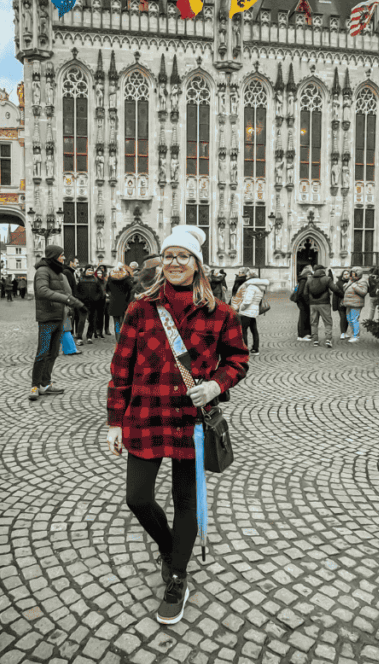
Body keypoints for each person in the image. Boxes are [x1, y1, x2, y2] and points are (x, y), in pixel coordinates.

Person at [106, 225, 248, 625]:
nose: (174, 263)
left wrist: (215, 385)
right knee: (137, 497)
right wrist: (114, 421)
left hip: (190, 421)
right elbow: (120, 368)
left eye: (183, 257)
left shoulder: (221, 314)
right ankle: (171, 549)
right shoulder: (140, 308)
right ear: (160, 262)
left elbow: (239, 360)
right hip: (145, 414)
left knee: (186, 502)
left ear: (197, 264)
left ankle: (178, 576)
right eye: (168, 256)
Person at [30, 245, 85, 400]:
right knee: (42, 352)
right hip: (46, 318)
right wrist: (66, 299)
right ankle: (34, 386)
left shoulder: (59, 272)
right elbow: (42, 291)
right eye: (61, 255)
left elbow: (67, 292)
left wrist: (76, 304)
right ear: (54, 256)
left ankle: (45, 384)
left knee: (53, 353)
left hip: (60, 317)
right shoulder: (42, 271)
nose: (63, 258)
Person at [236, 270, 269, 355]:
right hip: (254, 311)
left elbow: (247, 301)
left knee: (243, 331)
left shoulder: (251, 287)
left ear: (249, 277)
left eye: (247, 276)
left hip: (246, 312)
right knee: (254, 330)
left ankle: (244, 350)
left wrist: (241, 308)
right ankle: (255, 348)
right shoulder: (260, 287)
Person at [306, 264, 333, 347]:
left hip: (313, 304)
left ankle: (315, 341)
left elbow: (305, 293)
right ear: (322, 270)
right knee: (328, 322)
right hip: (324, 303)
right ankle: (328, 339)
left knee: (314, 322)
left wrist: (311, 300)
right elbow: (335, 289)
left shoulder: (309, 280)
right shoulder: (327, 279)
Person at [75, 266, 102, 344]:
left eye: (92, 270)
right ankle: (79, 337)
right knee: (81, 320)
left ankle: (89, 337)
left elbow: (99, 291)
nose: (90, 271)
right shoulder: (80, 279)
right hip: (82, 303)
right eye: (89, 270)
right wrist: (80, 299)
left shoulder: (95, 279)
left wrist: (96, 298)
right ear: (85, 270)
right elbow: (77, 291)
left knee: (92, 321)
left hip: (93, 303)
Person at [106, 264, 134, 338]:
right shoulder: (126, 279)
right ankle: (124, 339)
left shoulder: (110, 278)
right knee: (124, 322)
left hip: (113, 303)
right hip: (124, 302)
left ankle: (118, 340)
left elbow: (107, 289)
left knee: (117, 323)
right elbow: (131, 289)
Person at [343, 267, 370, 343]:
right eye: (351, 273)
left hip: (356, 304)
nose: (352, 275)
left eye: (353, 273)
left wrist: (355, 287)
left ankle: (356, 336)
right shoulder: (351, 281)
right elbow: (346, 290)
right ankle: (352, 334)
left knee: (354, 319)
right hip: (349, 303)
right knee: (349, 319)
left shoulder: (363, 281)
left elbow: (364, 292)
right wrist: (346, 285)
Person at [294, 267, 312, 341]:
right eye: (310, 274)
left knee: (305, 317)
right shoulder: (303, 280)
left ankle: (306, 334)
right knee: (303, 318)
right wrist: (307, 301)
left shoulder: (303, 280)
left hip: (302, 301)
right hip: (303, 302)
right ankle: (302, 335)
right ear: (307, 274)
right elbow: (301, 293)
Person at [334, 270, 351, 339]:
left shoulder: (350, 282)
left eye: (347, 274)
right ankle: (342, 333)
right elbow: (339, 292)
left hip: (349, 302)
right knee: (343, 317)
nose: (346, 275)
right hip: (341, 302)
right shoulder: (339, 283)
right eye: (345, 274)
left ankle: (345, 332)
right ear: (342, 275)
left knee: (347, 318)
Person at [94, 265, 109, 336]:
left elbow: (108, 288)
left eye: (101, 273)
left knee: (103, 315)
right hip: (97, 300)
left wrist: (107, 294)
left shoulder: (105, 280)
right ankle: (96, 330)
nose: (100, 275)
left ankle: (101, 330)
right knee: (97, 316)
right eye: (98, 273)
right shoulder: (95, 280)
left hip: (104, 299)